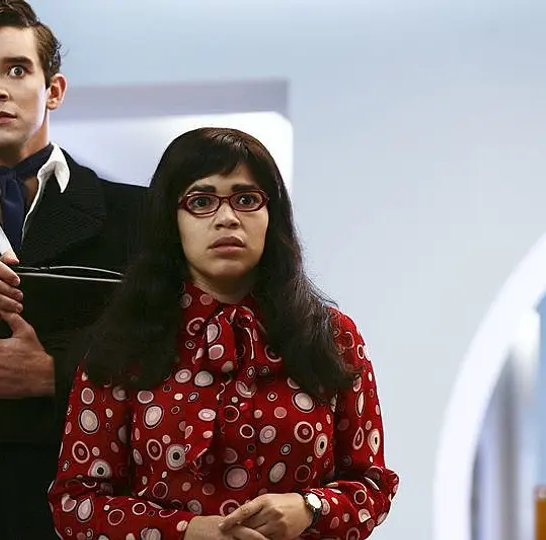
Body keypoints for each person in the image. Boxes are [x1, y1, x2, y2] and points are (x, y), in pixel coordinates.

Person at [48, 127, 400, 540]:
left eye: (246, 200)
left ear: (273, 216)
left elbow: (372, 486)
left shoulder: (333, 336)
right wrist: (188, 531)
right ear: (171, 220)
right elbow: (75, 504)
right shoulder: (122, 342)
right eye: (201, 201)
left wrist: (310, 508)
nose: (228, 218)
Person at [0, 2, 146, 539]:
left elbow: (174, 360)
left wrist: (56, 376)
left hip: (95, 513)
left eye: (16, 69)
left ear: (53, 89)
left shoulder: (139, 214)